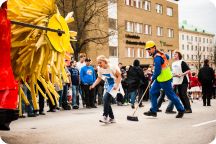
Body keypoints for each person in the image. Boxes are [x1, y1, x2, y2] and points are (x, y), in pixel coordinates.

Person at [143, 41, 185, 118]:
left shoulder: (157, 57)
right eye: (147, 49)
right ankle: (153, 111)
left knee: (171, 95)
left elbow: (158, 70)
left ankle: (181, 110)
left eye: (149, 49)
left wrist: (152, 78)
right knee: (152, 92)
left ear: (154, 48)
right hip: (160, 78)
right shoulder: (159, 54)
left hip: (165, 78)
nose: (148, 50)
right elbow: (167, 57)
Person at [90, 55, 122, 123]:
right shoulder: (99, 68)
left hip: (115, 83)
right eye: (98, 63)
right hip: (108, 84)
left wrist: (116, 84)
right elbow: (99, 78)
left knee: (105, 98)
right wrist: (93, 85)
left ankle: (105, 116)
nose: (99, 64)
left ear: (104, 61)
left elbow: (119, 76)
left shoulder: (112, 67)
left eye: (100, 62)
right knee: (106, 100)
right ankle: (112, 118)